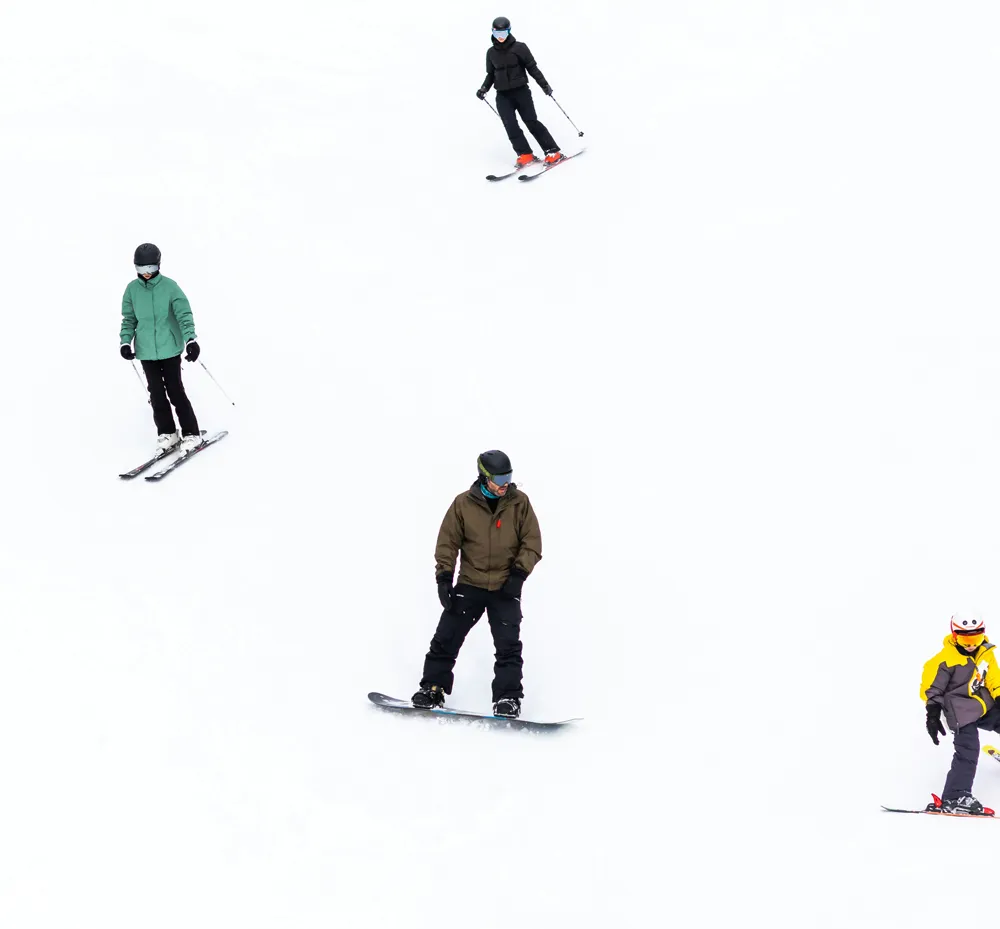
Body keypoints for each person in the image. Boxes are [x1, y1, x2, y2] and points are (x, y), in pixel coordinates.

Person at [412, 450, 543, 718]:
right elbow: (447, 542)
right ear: (484, 476)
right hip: (470, 584)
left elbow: (532, 543)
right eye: (499, 477)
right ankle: (432, 688)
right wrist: (444, 577)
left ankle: (508, 698)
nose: (505, 482)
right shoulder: (463, 504)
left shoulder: (520, 503)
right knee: (446, 638)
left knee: (508, 646)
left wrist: (518, 576)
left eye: (509, 476)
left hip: (505, 587)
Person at [119, 243, 204, 454]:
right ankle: (167, 433)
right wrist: (125, 341)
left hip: (170, 349)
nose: (146, 274)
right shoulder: (132, 290)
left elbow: (184, 315)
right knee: (156, 394)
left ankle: (191, 433)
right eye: (141, 269)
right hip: (146, 352)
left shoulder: (170, 287)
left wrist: (190, 340)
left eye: (150, 268)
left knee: (175, 391)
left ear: (158, 265)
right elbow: (128, 319)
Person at [920, 612, 1000, 815]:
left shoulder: (985, 653)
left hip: (981, 704)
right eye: (966, 638)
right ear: (955, 636)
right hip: (959, 711)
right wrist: (932, 713)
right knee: (968, 750)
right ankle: (955, 795)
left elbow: (994, 679)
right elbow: (931, 689)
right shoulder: (944, 661)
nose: (972, 644)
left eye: (976, 638)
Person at [476, 16, 564, 168]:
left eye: (504, 33)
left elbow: (532, 68)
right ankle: (525, 154)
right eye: (497, 34)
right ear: (493, 33)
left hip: (521, 92)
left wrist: (544, 85)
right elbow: (491, 75)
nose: (501, 37)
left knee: (531, 121)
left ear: (509, 31)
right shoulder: (490, 53)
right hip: (502, 95)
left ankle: (552, 151)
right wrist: (484, 88)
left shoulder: (520, 48)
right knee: (510, 125)